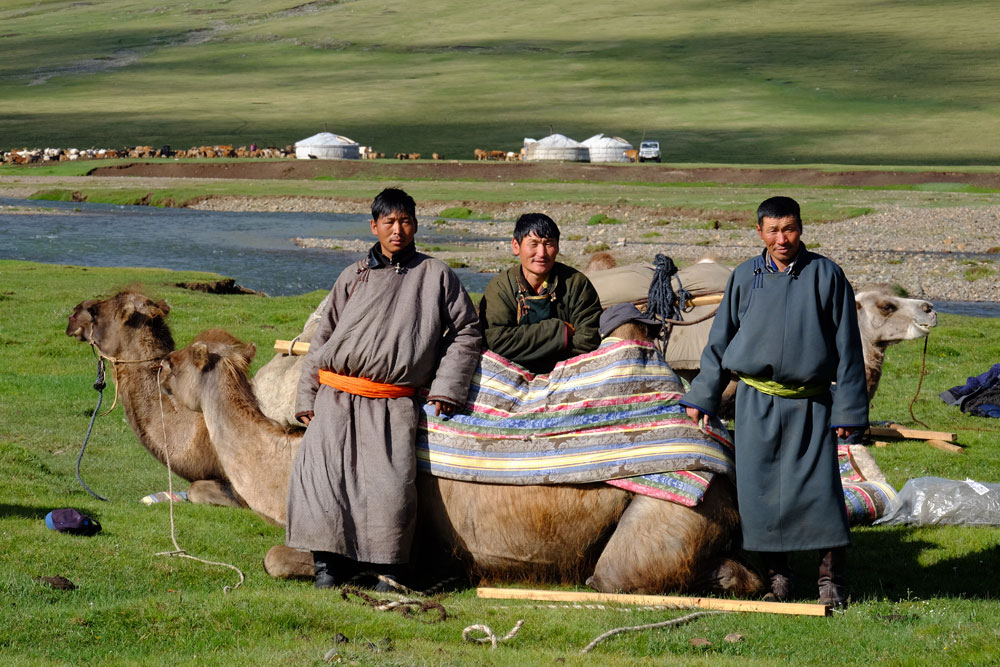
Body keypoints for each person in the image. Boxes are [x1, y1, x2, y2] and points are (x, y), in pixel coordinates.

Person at [287, 188, 482, 590]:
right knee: (324, 483)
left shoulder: (436, 276)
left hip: (391, 402)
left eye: (405, 221)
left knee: (389, 488)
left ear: (416, 225)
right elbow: (323, 339)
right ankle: (328, 568)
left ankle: (391, 572)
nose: (398, 230)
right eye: (389, 222)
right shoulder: (353, 276)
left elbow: (467, 330)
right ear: (373, 226)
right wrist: (306, 395)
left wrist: (446, 386)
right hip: (335, 398)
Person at [679, 196, 868, 607]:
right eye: (773, 230)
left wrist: (849, 408)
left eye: (790, 229)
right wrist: (704, 395)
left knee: (821, 492)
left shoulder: (826, 275)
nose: (782, 239)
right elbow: (720, 340)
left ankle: (830, 581)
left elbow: (848, 347)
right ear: (760, 232)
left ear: (801, 228)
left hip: (811, 402)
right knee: (759, 492)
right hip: (756, 402)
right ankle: (778, 578)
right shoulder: (745, 276)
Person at [478, 213, 603, 374]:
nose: (542, 253)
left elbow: (589, 339)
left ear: (557, 246)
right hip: (511, 373)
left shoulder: (576, 283)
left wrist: (541, 358)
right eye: (533, 244)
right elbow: (496, 340)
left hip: (566, 372)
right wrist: (560, 331)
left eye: (548, 243)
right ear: (516, 246)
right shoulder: (501, 287)